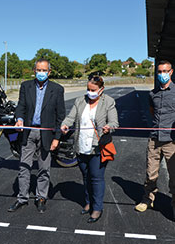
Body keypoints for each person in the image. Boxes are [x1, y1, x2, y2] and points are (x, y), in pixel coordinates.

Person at [8, 58, 65, 213]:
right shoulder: (26, 86)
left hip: (47, 133)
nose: (41, 73)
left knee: (44, 168)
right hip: (29, 131)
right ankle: (22, 198)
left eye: (44, 70)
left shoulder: (57, 89)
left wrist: (57, 138)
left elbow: (61, 116)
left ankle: (41, 197)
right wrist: (19, 119)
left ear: (49, 72)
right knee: (24, 167)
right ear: (34, 70)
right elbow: (21, 107)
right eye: (38, 70)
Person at [61, 74, 118, 223]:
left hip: (98, 147)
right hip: (81, 146)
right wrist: (65, 124)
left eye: (93, 89)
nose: (90, 92)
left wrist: (108, 127)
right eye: (88, 89)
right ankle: (88, 202)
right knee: (86, 177)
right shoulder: (80, 101)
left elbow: (114, 122)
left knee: (96, 178)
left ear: (101, 89)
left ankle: (97, 208)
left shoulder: (108, 102)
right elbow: (71, 117)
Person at [135, 60, 175, 220]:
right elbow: (153, 112)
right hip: (154, 139)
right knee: (150, 173)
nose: (162, 75)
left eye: (165, 71)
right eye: (159, 72)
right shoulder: (153, 94)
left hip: (172, 141)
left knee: (174, 176)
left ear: (171, 72)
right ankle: (148, 199)